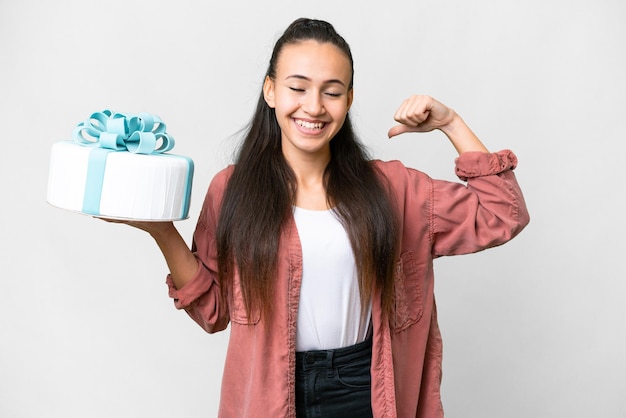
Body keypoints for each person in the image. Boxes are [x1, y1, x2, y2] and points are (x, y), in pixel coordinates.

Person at [116, 17, 529, 418]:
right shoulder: (232, 191)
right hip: (269, 391)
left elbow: (502, 214)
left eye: (332, 92)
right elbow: (212, 311)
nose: (313, 107)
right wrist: (162, 232)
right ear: (271, 90)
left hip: (363, 388)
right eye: (298, 87)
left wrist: (451, 124)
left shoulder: (395, 190)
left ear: (349, 100)